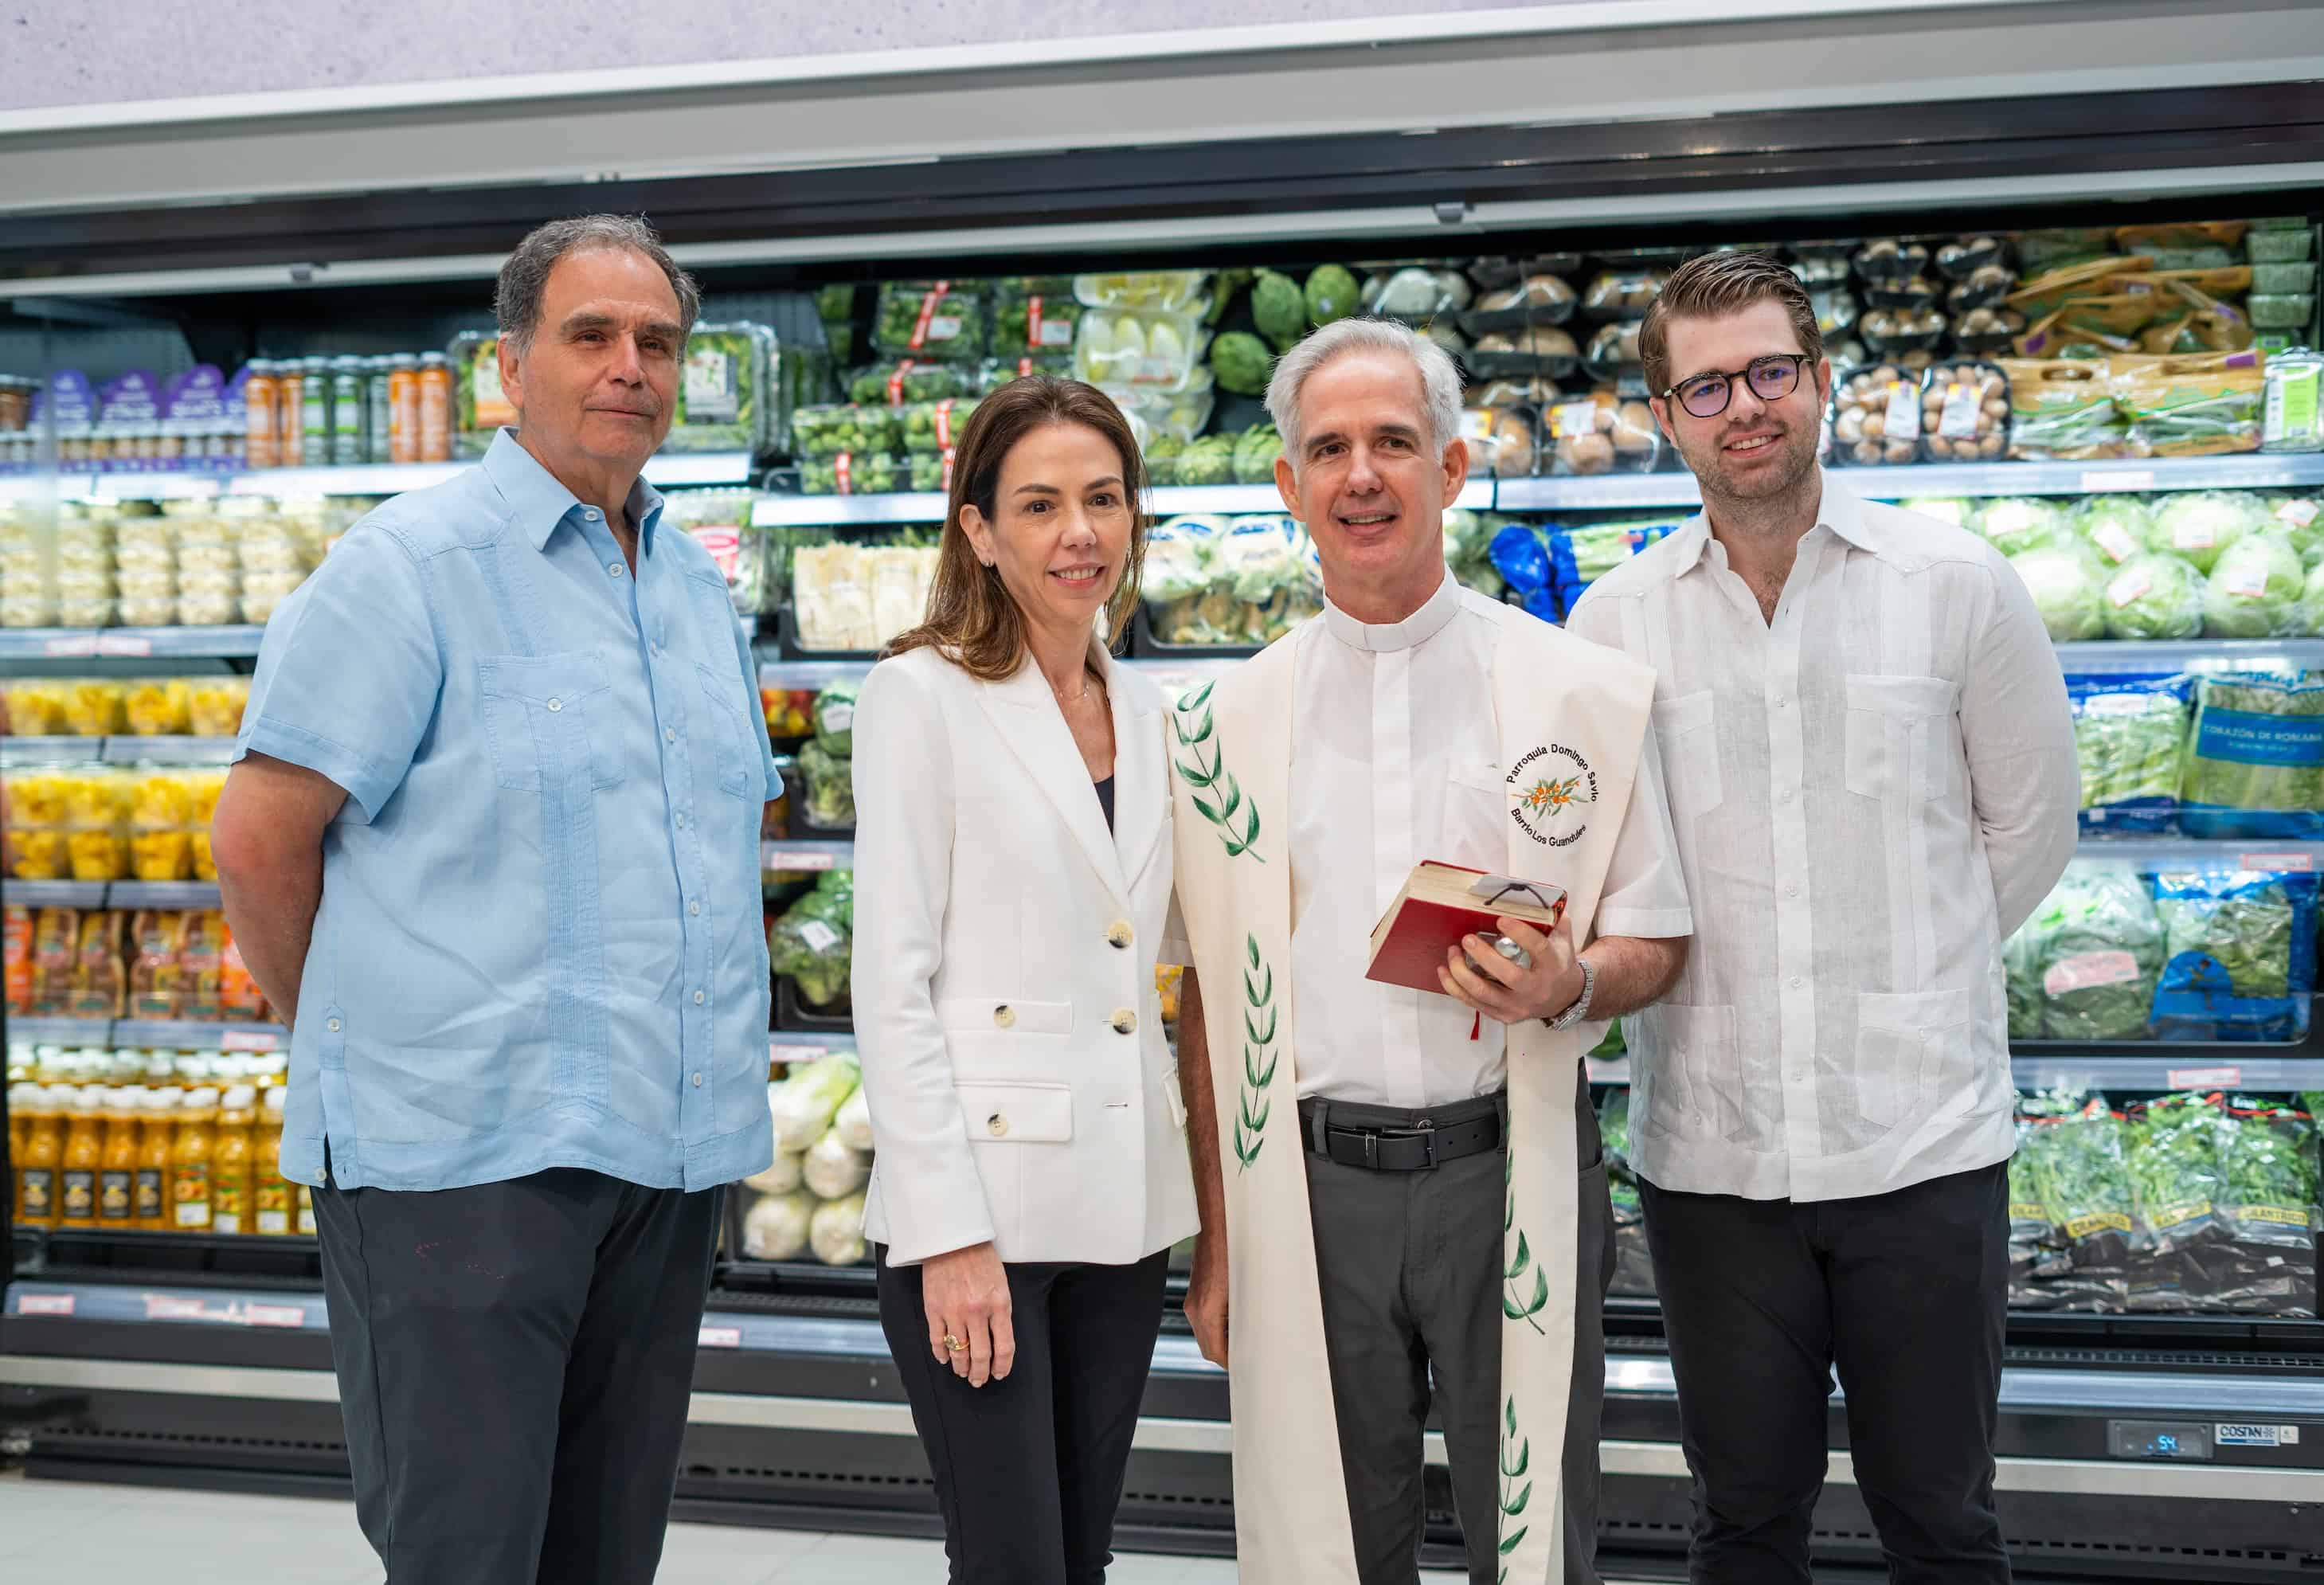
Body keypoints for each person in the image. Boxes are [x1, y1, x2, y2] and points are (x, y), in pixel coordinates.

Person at [209, 215, 777, 1585]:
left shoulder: (693, 587)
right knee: (467, 1555)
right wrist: (339, 1032)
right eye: (591, 335)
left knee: (602, 1554)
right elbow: (258, 837)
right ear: (509, 366)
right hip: (457, 1160)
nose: (629, 366)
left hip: (660, 1148)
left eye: (656, 342)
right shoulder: (409, 570)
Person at [1564, 252, 2079, 1585]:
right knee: (1743, 1523)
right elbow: (1603, 859)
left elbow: (2029, 833)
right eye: (1707, 384)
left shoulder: (1956, 582)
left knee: (1943, 1524)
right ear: (1665, 413)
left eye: (1771, 372)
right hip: (1711, 1159)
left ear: (1821, 384)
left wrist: (1911, 959)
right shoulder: (1612, 623)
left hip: (1920, 1145)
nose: (1746, 405)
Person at [1169, 318, 1692, 1585]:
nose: (1362, 474)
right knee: (1333, 1543)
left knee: (1533, 1530)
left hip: (1504, 1169)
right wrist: (1220, 1234)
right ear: (1287, 485)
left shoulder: (1575, 691)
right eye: (1328, 448)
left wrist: (1570, 982)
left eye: (1393, 442)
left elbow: (1654, 935)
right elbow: (1199, 998)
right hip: (1307, 1186)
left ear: (1452, 470)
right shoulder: (1216, 722)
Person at [849, 375, 1197, 1584]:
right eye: (1040, 505)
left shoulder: (1156, 711)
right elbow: (890, 983)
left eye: (1103, 499)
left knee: (1081, 1555)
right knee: (1010, 1563)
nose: (1079, 533)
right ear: (980, 530)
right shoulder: (919, 696)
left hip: (1122, 1204)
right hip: (980, 1206)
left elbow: (1178, 948)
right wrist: (946, 1233)